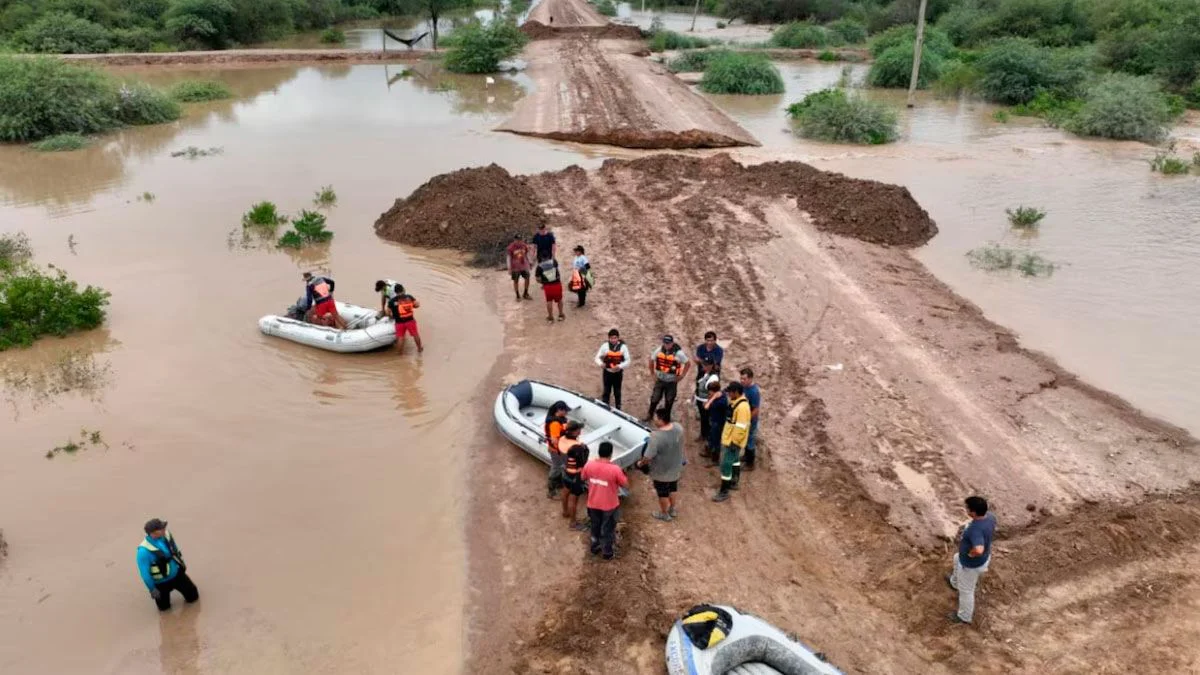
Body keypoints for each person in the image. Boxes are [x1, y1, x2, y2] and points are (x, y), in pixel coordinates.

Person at [948, 496, 997, 624]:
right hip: (983, 558)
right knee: (956, 558)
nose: (966, 510)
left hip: (971, 565)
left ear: (973, 513)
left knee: (966, 592)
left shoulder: (976, 529)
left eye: (967, 508)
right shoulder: (990, 517)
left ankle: (964, 617)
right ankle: (954, 582)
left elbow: (979, 549)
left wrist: (970, 554)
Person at [137, 519, 199, 612]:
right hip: (161, 583)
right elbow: (145, 575)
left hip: (177, 575)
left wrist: (181, 565)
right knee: (164, 609)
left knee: (194, 597)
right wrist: (152, 589)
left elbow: (175, 550)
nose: (164, 529)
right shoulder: (143, 552)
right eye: (161, 528)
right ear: (152, 533)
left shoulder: (167, 534)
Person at [636, 408, 685, 521]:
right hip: (675, 467)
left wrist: (640, 463)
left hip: (661, 471)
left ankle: (664, 514)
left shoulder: (656, 437)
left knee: (662, 493)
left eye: (655, 419)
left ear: (661, 420)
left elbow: (648, 457)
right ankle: (672, 509)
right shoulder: (678, 427)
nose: (654, 421)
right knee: (673, 488)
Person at [581, 441, 627, 560]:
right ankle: (607, 553)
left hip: (592, 504)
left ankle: (595, 547)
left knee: (595, 526)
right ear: (611, 454)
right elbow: (625, 484)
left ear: (599, 452)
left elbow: (582, 477)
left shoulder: (589, 465)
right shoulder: (615, 469)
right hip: (610, 506)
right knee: (608, 529)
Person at [713, 382, 751, 503]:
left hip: (733, 441)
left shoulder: (742, 407)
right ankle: (734, 481)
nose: (728, 394)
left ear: (736, 392)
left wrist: (734, 442)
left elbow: (741, 428)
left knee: (726, 465)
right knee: (735, 461)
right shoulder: (737, 403)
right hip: (731, 439)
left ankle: (724, 491)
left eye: (730, 392)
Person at [647, 335, 690, 421]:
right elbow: (651, 360)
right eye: (665, 343)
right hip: (660, 379)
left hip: (671, 382)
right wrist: (652, 373)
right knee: (655, 398)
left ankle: (666, 419)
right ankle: (650, 415)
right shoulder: (659, 350)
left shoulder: (678, 353)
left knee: (669, 401)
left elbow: (687, 363)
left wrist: (682, 375)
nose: (666, 345)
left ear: (672, 343)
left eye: (668, 343)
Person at [559, 421, 590, 531]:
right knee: (574, 499)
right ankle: (573, 523)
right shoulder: (577, 447)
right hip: (575, 475)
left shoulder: (562, 439)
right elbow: (583, 462)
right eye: (578, 429)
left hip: (565, 471)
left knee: (565, 491)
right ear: (574, 432)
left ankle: (565, 512)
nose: (580, 431)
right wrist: (585, 449)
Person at [594, 328, 630, 409]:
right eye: (611, 338)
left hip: (618, 373)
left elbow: (628, 361)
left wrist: (620, 366)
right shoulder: (605, 346)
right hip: (607, 373)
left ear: (618, 338)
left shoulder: (623, 347)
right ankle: (604, 406)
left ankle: (618, 407)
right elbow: (597, 357)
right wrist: (601, 364)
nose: (613, 340)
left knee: (617, 392)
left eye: (615, 338)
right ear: (609, 338)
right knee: (606, 390)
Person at [387, 284, 423, 354]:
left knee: (400, 338)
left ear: (395, 291)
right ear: (403, 289)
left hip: (399, 322)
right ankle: (419, 349)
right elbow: (417, 305)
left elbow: (388, 312)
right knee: (415, 334)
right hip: (410, 320)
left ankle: (400, 353)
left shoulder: (392, 301)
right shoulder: (409, 297)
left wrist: (391, 316)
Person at [544, 401, 569, 499]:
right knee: (556, 468)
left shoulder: (561, 419)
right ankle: (551, 491)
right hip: (556, 450)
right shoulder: (554, 423)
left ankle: (559, 484)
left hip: (560, 449)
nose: (567, 412)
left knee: (560, 467)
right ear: (559, 410)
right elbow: (555, 441)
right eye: (565, 410)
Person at [739, 367, 762, 470]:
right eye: (741, 378)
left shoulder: (754, 392)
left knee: (750, 440)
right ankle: (746, 456)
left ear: (750, 378)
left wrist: (748, 420)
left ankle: (750, 464)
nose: (742, 381)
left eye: (744, 379)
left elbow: (756, 409)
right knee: (746, 439)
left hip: (750, 421)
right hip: (745, 419)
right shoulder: (744, 387)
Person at [693, 358, 720, 442]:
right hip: (700, 398)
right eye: (704, 364)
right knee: (703, 418)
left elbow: (713, 392)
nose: (704, 366)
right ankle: (703, 434)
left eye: (706, 365)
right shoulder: (703, 373)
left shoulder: (713, 377)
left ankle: (708, 437)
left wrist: (708, 401)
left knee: (707, 419)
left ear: (711, 366)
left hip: (706, 401)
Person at [701, 379, 727, 465]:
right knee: (711, 437)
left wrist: (712, 399)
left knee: (716, 441)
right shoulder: (721, 395)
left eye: (710, 392)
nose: (709, 394)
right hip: (714, 421)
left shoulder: (721, 401)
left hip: (718, 423)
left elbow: (706, 407)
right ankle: (709, 451)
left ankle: (715, 460)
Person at [535, 256, 565, 322]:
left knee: (549, 301)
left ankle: (550, 317)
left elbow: (538, 279)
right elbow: (556, 268)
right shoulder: (554, 261)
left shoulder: (539, 267)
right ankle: (561, 315)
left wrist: (543, 283)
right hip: (557, 284)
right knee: (559, 300)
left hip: (548, 286)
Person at [506, 234, 532, 301]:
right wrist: (509, 268)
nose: (519, 241)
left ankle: (525, 293)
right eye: (517, 240)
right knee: (516, 281)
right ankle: (517, 296)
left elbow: (527, 254)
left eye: (520, 240)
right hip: (515, 267)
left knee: (527, 278)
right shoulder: (510, 247)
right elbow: (508, 258)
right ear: (514, 240)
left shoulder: (524, 245)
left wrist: (530, 262)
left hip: (524, 265)